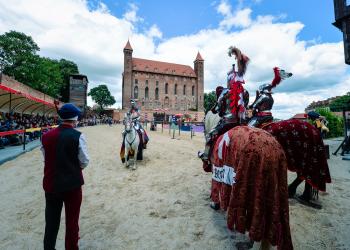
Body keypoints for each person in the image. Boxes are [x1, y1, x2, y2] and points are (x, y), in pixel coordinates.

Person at [41, 103, 90, 250]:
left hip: (51, 184)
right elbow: (84, 161)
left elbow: (46, 158)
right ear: (75, 119)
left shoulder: (45, 136)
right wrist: (73, 168)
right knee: (72, 221)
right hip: (72, 185)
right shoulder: (78, 136)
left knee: (51, 222)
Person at [198, 46, 249, 162]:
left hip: (228, 122)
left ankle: (206, 156)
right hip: (242, 122)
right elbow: (246, 106)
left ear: (230, 80)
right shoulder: (244, 92)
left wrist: (217, 108)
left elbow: (217, 110)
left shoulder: (225, 92)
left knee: (210, 135)